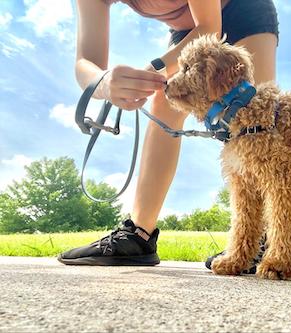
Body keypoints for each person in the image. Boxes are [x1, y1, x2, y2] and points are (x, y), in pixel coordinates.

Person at [58, 0, 279, 269]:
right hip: (188, 33)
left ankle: (260, 237)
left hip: (241, 10)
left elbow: (210, 27)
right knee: (165, 102)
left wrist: (151, 70)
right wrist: (104, 83)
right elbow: (86, 62)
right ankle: (139, 234)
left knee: (253, 113)